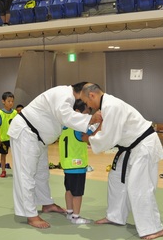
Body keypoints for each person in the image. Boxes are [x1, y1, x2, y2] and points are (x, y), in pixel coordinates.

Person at [8, 82, 102, 229]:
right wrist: (90, 119)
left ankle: (47, 203)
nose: (91, 102)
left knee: (42, 173)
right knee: (26, 175)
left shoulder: (68, 98)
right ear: (86, 92)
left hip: (38, 138)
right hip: (26, 133)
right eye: (92, 97)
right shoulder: (64, 95)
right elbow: (67, 117)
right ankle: (30, 215)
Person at [80, 83, 163, 240]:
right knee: (115, 179)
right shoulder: (107, 106)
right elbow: (107, 132)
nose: (88, 106)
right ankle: (115, 216)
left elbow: (108, 138)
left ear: (92, 95)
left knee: (139, 186)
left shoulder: (111, 106)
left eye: (87, 102)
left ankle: (154, 227)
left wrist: (89, 139)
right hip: (130, 148)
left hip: (143, 147)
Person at [58, 99, 92, 225]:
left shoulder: (64, 128)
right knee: (78, 193)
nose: (87, 117)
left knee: (69, 190)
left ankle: (69, 212)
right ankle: (76, 217)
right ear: (77, 112)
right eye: (86, 113)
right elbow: (91, 135)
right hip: (77, 166)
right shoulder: (79, 128)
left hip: (67, 166)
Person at [0, 91, 17, 178]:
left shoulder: (15, 112)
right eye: (9, 101)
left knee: (16, 155)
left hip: (13, 138)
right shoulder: (0, 113)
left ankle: (17, 171)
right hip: (4, 138)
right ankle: (3, 170)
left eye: (12, 101)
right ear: (3, 101)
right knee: (3, 155)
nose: (11, 103)